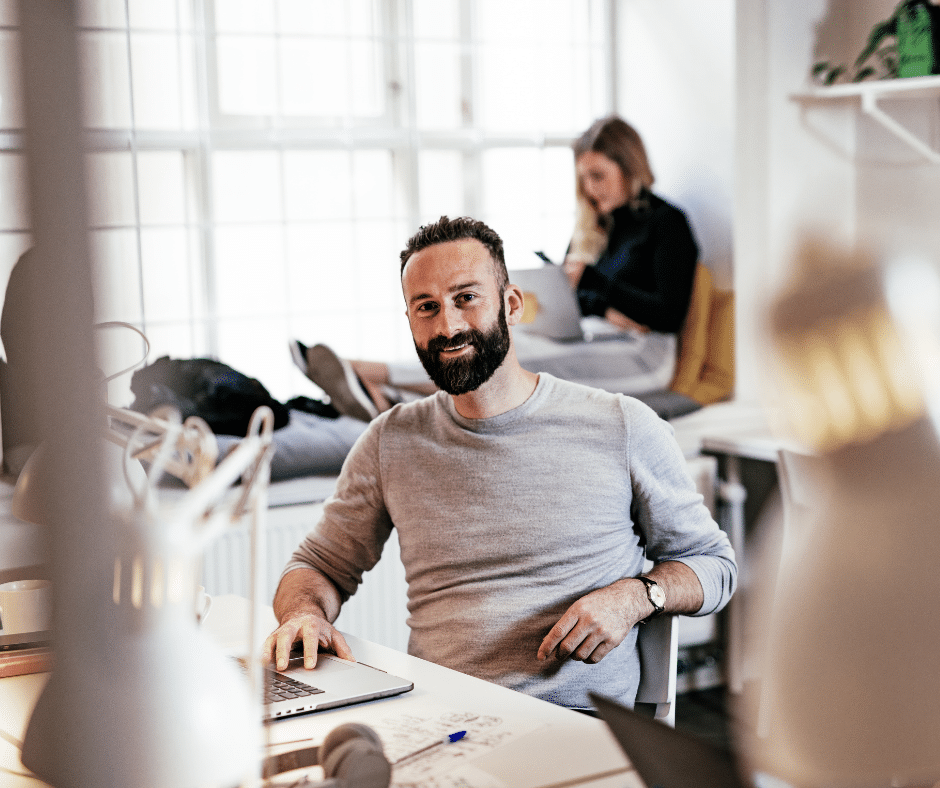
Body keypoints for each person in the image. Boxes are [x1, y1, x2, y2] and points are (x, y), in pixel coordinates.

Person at [263, 215, 735, 711]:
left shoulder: (622, 424)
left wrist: (635, 597)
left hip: (578, 724)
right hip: (439, 718)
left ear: (511, 305)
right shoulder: (390, 440)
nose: (448, 326)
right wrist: (303, 614)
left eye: (466, 297)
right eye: (427, 308)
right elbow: (318, 566)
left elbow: (716, 567)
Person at [291, 115, 700, 420]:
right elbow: (587, 303)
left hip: (645, 359)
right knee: (498, 341)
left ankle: (367, 373)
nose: (591, 188)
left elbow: (668, 313)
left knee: (516, 355)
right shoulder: (597, 226)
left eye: (599, 176)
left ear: (630, 167)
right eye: (584, 179)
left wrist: (594, 284)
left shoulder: (668, 224)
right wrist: (580, 293)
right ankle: (387, 400)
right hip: (594, 339)